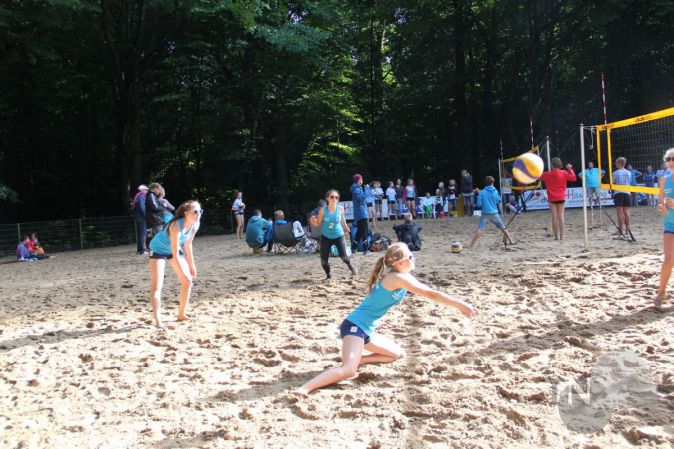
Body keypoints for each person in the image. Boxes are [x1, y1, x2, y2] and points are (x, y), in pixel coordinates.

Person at [293, 242, 478, 396]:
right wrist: (460, 304)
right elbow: (430, 294)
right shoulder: (396, 278)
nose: (413, 258)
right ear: (398, 263)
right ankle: (305, 388)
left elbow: (427, 291)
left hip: (366, 330)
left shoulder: (402, 275)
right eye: (410, 257)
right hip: (354, 327)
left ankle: (358, 359)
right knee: (348, 370)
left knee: (396, 354)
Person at [148, 200, 202, 328]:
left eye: (200, 211)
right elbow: (175, 253)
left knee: (188, 281)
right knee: (157, 286)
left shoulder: (195, 223)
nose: (199, 214)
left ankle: (181, 314)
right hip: (158, 249)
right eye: (195, 212)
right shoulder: (176, 226)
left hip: (173, 249)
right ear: (186, 213)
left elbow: (188, 244)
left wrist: (191, 265)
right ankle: (158, 321)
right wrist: (183, 271)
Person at [310, 189, 358, 279]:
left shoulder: (340, 208)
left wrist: (346, 228)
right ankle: (328, 275)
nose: (334, 199)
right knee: (323, 261)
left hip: (338, 235)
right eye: (332, 197)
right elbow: (317, 223)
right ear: (327, 198)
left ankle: (350, 266)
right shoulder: (323, 211)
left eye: (336, 197)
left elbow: (342, 220)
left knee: (344, 257)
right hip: (326, 237)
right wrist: (313, 222)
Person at [469, 176, 513, 248]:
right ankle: (511, 241)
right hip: (494, 213)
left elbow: (479, 204)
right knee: (503, 228)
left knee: (480, 229)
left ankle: (471, 245)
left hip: (485, 213)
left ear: (485, 183)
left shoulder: (482, 192)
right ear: (492, 183)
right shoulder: (495, 191)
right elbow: (498, 201)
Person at [655, 148, 674, 309]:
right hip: (670, 224)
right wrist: (662, 207)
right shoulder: (664, 180)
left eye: (673, 159)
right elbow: (659, 204)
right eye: (668, 159)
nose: (671, 162)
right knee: (668, 259)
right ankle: (661, 293)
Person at [539, 158, 576, 241]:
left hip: (552, 197)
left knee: (554, 217)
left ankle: (556, 236)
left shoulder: (547, 174)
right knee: (561, 216)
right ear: (560, 164)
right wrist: (570, 169)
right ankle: (562, 236)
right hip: (561, 196)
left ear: (552, 165)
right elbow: (574, 178)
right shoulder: (564, 173)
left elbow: (537, 176)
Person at [612, 157, 633, 239]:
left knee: (619, 212)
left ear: (620, 163)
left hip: (619, 193)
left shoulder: (615, 173)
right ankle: (627, 230)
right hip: (627, 193)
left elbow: (613, 183)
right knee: (627, 212)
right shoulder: (629, 172)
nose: (615, 164)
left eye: (616, 163)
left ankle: (620, 230)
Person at [351, 174, 370, 254]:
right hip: (361, 213)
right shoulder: (357, 190)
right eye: (361, 179)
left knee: (359, 231)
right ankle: (366, 249)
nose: (362, 181)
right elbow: (361, 199)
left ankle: (354, 248)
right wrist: (366, 190)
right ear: (358, 180)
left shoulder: (357, 189)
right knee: (364, 231)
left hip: (361, 213)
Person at [131, 184, 148, 254]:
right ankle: (142, 250)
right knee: (142, 233)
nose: (147, 191)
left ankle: (139, 249)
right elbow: (142, 207)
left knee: (140, 233)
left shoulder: (137, 196)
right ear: (143, 190)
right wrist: (146, 215)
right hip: (141, 217)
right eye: (146, 190)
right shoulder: (141, 196)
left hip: (138, 216)